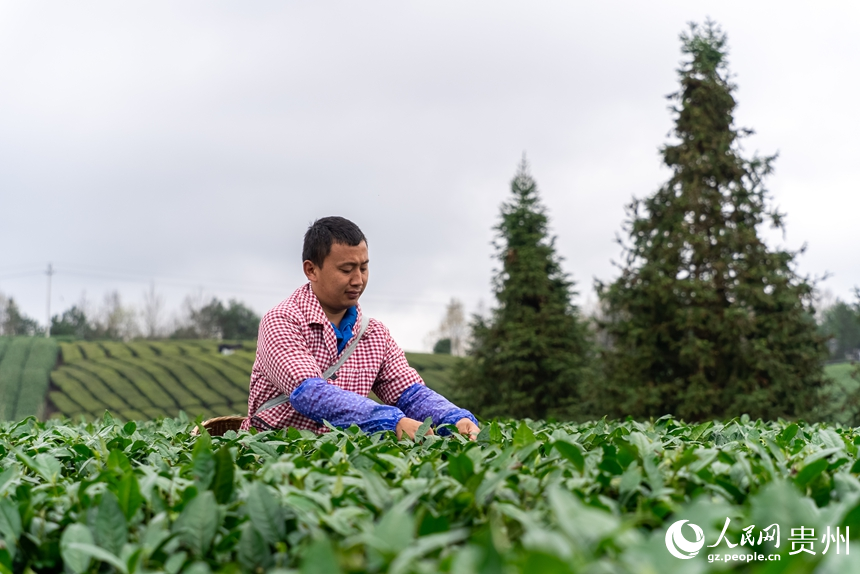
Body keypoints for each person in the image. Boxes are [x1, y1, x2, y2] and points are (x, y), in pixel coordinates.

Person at [240, 216, 480, 440]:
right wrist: (391, 422)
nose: (358, 280)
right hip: (273, 456)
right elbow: (309, 394)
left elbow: (409, 393)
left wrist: (454, 418)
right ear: (311, 270)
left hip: (340, 461)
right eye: (346, 270)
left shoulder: (374, 334)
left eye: (363, 268)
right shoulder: (282, 321)